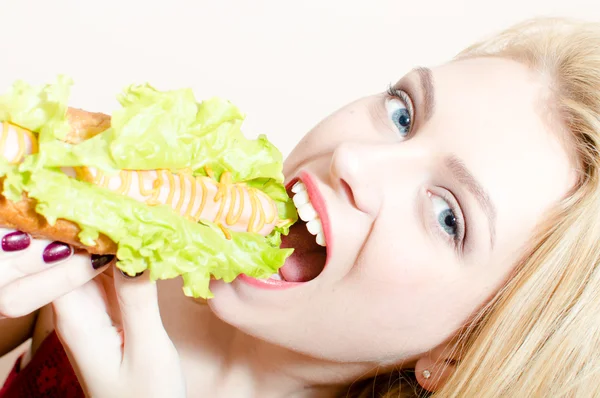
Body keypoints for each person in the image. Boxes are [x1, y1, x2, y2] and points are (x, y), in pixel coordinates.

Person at [1, 16, 600, 397]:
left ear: (457, 352)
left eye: (449, 217)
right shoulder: (125, 266)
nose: (355, 162)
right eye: (403, 114)